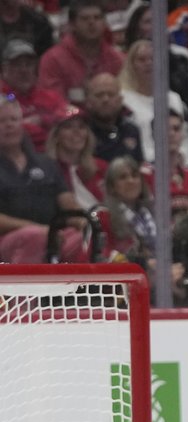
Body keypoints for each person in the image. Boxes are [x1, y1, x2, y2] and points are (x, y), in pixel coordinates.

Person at [0, 97, 88, 263]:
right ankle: (24, 288)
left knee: (85, 238)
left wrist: (83, 221)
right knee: (34, 237)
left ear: (22, 123)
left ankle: (78, 288)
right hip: (9, 239)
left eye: (13, 119)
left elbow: (68, 202)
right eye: (2, 121)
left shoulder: (45, 163)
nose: (9, 125)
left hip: (51, 234)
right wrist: (39, 230)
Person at [37, 0, 124, 106]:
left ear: (105, 23)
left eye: (97, 18)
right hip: (67, 120)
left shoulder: (116, 59)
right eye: (84, 19)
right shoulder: (53, 59)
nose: (91, 23)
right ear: (72, 24)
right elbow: (52, 103)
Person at [93, 155, 157, 271]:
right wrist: (145, 265)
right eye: (123, 177)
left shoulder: (152, 213)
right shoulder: (102, 217)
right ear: (112, 186)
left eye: (135, 176)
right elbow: (101, 257)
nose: (131, 181)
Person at [1, 38, 67, 149]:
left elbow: (68, 120)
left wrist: (43, 119)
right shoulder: (3, 98)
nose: (24, 70)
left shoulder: (51, 97)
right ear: (5, 69)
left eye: (28, 64)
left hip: (51, 154)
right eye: (17, 65)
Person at [46, 105, 105, 210]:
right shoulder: (47, 171)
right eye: (68, 127)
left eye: (81, 127)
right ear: (56, 135)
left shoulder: (101, 167)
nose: (76, 132)